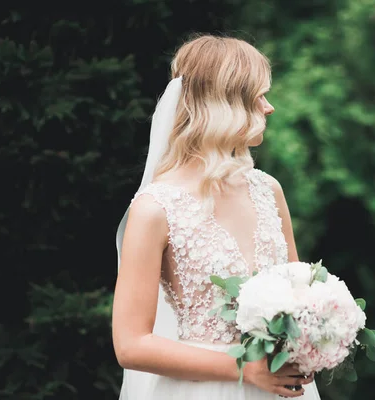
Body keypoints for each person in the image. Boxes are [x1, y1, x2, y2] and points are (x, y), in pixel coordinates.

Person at [112, 34, 321, 400]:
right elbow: (130, 345)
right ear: (224, 103)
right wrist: (244, 369)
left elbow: (298, 296)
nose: (269, 108)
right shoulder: (155, 208)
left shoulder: (268, 189)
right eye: (258, 96)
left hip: (279, 387)